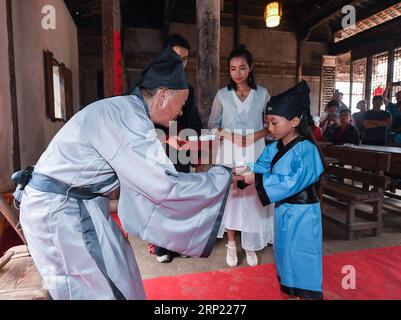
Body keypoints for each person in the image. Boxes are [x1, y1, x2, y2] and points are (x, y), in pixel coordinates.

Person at [11, 46, 233, 300]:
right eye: (181, 104)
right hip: (60, 212)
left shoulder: (127, 111)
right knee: (100, 291)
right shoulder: (129, 117)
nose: (181, 112)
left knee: (122, 269)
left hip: (77, 205)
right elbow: (163, 186)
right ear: (162, 95)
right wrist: (221, 177)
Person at [235, 80, 324, 300]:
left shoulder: (307, 149)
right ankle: (289, 292)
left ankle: (305, 295)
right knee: (284, 255)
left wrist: (255, 178)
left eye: (274, 123)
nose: (270, 128)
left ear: (294, 121)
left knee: (303, 257)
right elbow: (261, 167)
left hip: (303, 214)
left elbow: (292, 181)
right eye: (267, 123)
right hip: (283, 210)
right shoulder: (274, 147)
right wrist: (243, 172)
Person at [208, 45, 274, 268]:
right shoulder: (222, 95)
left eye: (242, 68)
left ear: (251, 68)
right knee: (233, 197)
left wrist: (259, 134)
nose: (238, 73)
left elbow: (273, 126)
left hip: (256, 150)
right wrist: (228, 135)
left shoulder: (263, 94)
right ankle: (231, 243)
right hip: (229, 150)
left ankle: (251, 244)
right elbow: (211, 126)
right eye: (233, 68)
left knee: (254, 196)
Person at [149, 34, 203, 263]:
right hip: (157, 147)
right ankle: (161, 246)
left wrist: (189, 143)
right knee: (161, 197)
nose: (181, 64)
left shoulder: (187, 89)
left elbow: (193, 122)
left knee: (181, 198)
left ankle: (180, 243)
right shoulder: (151, 83)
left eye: (185, 60)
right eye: (177, 58)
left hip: (180, 147)